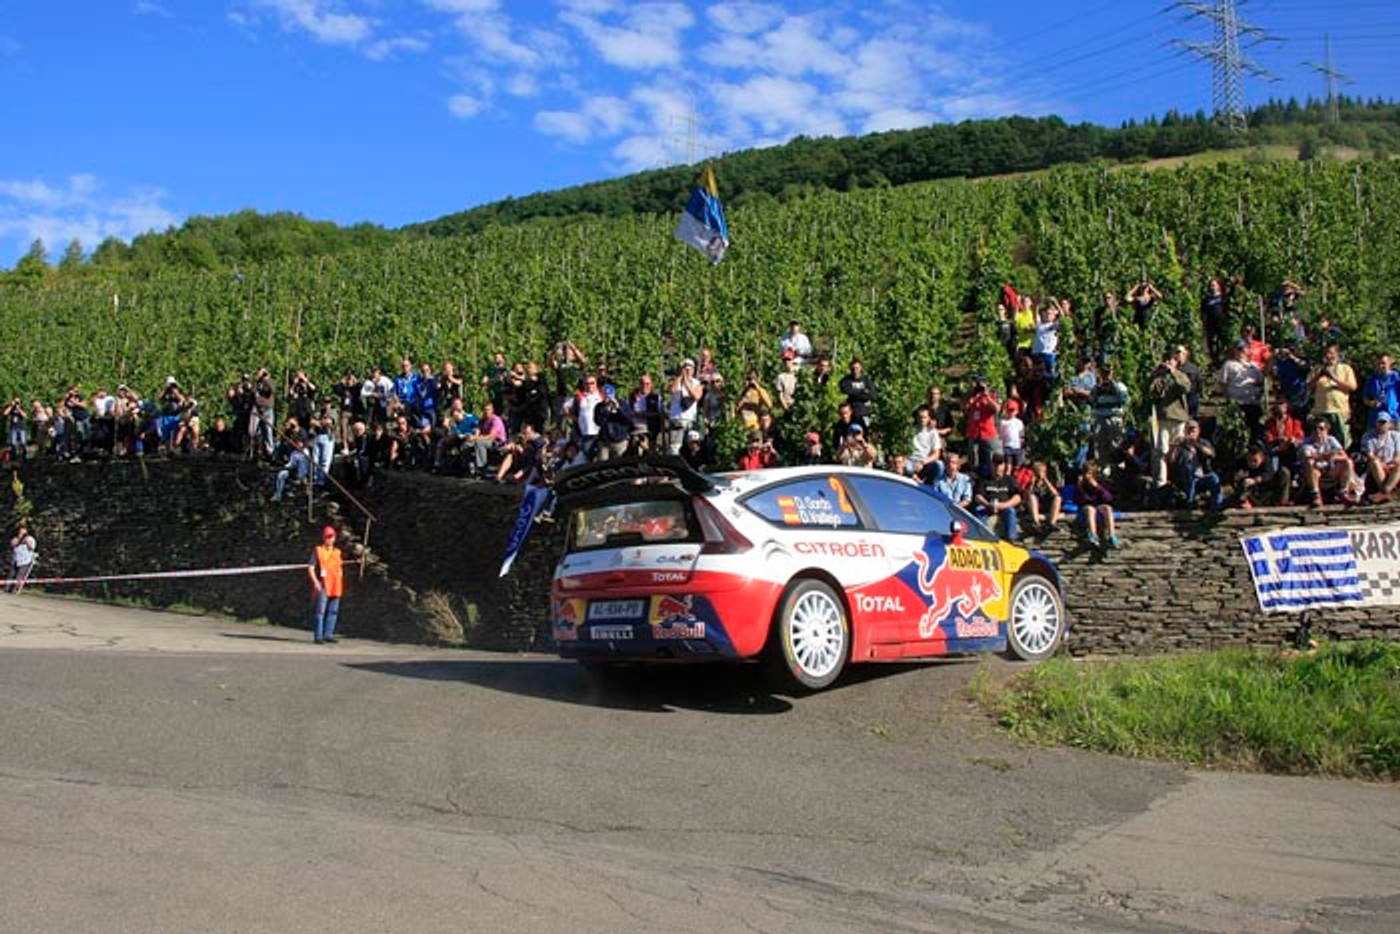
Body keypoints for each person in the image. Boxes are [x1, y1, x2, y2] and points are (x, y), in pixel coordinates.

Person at [1299, 417, 1362, 508]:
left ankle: (1343, 492)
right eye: (1315, 428)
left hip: (1330, 469)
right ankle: (1315, 495)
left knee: (1348, 462)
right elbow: (1307, 457)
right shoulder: (1307, 443)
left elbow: (1344, 455)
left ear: (1327, 430)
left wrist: (1334, 456)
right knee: (1310, 464)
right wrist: (1327, 456)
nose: (1318, 431)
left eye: (1321, 429)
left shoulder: (1331, 440)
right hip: (1315, 471)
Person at [1308, 343, 1358, 448]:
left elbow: (1353, 387)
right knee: (1321, 440)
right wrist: (1318, 376)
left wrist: (1334, 377)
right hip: (1321, 410)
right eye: (1326, 353)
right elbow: (1308, 387)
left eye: (1331, 353)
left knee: (1342, 441)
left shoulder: (1345, 368)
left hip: (1339, 410)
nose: (1328, 356)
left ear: (1337, 354)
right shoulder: (1318, 369)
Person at [307, 526, 344, 644]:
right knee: (320, 612)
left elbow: (340, 568)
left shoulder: (337, 552)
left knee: (333, 611)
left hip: (336, 585)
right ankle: (318, 636)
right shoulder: (318, 550)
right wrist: (316, 582)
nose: (330, 539)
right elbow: (311, 567)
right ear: (324, 537)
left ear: (334, 538)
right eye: (328, 536)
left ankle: (328, 634)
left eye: (331, 536)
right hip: (323, 584)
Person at [975, 454, 1021, 542]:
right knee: (979, 510)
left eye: (1000, 464)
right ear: (991, 464)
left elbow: (1018, 497)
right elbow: (978, 496)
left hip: (1004, 507)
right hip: (987, 506)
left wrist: (1004, 505)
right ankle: (981, 539)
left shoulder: (1009, 480)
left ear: (1004, 466)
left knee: (1011, 511)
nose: (997, 467)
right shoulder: (984, 479)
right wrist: (988, 505)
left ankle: (1011, 539)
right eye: (995, 464)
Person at [1075, 459, 1120, 549]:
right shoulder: (1081, 484)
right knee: (1090, 509)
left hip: (1099, 505)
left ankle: (1111, 536)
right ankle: (1093, 535)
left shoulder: (1101, 482)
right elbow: (1082, 499)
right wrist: (1080, 487)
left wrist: (1097, 487)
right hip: (1087, 505)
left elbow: (1108, 498)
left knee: (1108, 508)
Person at [1232, 443, 1292, 509]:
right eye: (1249, 460)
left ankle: (1282, 502)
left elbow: (1269, 474)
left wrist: (1255, 480)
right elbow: (1234, 473)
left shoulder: (1267, 460)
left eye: (1255, 461)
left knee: (1285, 472)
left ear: (1262, 458)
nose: (1252, 463)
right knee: (1242, 481)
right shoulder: (1242, 462)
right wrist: (1237, 476)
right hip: (1250, 489)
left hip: (1267, 485)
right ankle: (1245, 501)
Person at [1360, 412, 1400, 503]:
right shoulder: (1368, 436)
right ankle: (1384, 491)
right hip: (1376, 465)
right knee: (1375, 462)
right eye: (1380, 422)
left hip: (1391, 465)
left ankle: (1385, 491)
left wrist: (1391, 463)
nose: (1382, 425)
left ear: (1390, 424)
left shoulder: (1396, 436)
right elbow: (1370, 455)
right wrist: (1382, 463)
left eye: (1384, 422)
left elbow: (1398, 456)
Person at [1024, 460, 1062, 534]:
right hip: (1035, 507)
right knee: (1031, 496)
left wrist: (1046, 481)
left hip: (1046, 505)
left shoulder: (1048, 483)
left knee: (1058, 498)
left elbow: (1056, 494)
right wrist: (1032, 484)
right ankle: (1036, 522)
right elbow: (1026, 497)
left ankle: (1052, 523)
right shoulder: (1030, 484)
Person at [7, 525, 37, 593]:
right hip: (16, 559)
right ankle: (7, 588)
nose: (21, 532)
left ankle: (16, 589)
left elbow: (32, 548)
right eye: (20, 531)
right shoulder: (16, 538)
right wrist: (18, 540)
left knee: (20, 575)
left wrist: (26, 542)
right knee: (11, 575)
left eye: (23, 531)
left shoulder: (30, 539)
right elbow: (12, 544)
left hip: (25, 560)